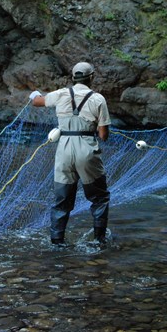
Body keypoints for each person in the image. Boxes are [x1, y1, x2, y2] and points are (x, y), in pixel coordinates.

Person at [29, 62, 112, 246]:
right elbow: (103, 135)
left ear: (73, 77)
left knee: (62, 201)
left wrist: (34, 93)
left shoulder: (61, 94)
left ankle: (57, 243)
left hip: (63, 151)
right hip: (87, 151)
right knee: (99, 198)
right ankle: (99, 241)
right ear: (91, 77)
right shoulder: (98, 99)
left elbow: (37, 101)